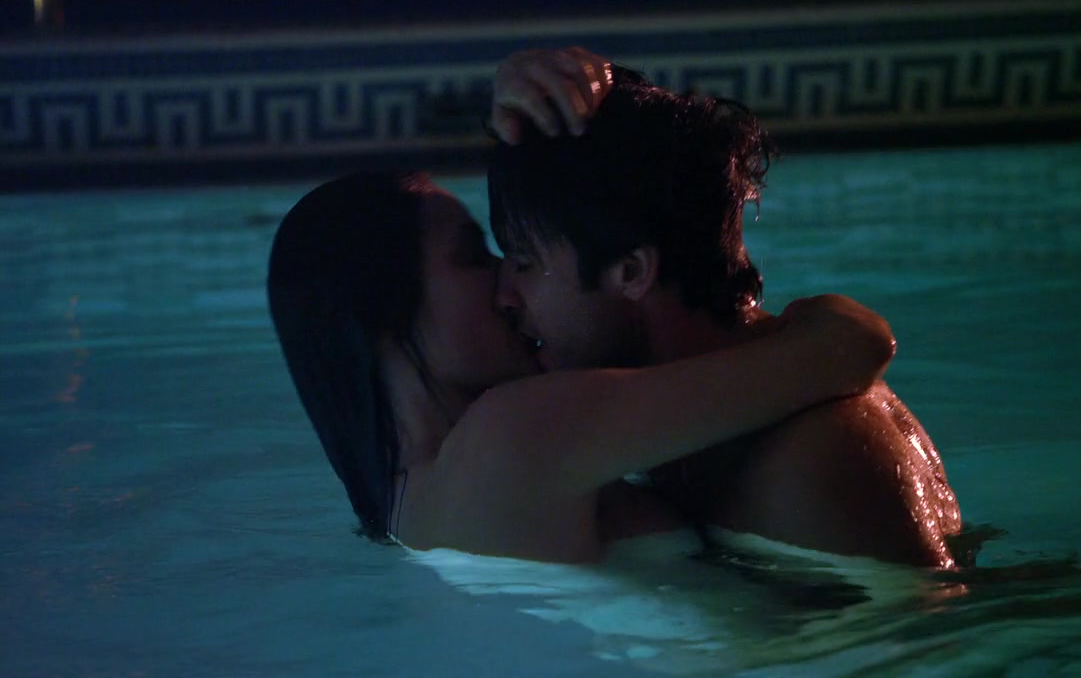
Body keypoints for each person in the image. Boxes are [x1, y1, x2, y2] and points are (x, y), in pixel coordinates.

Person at [267, 170, 896, 563]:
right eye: (475, 257)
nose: (509, 282)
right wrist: (818, 312)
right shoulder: (516, 431)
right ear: (385, 311)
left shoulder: (405, 511)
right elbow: (850, 347)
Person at [488, 49, 962, 568]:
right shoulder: (678, 407)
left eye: (524, 262)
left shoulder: (812, 460)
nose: (502, 294)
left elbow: (931, 618)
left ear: (631, 272)